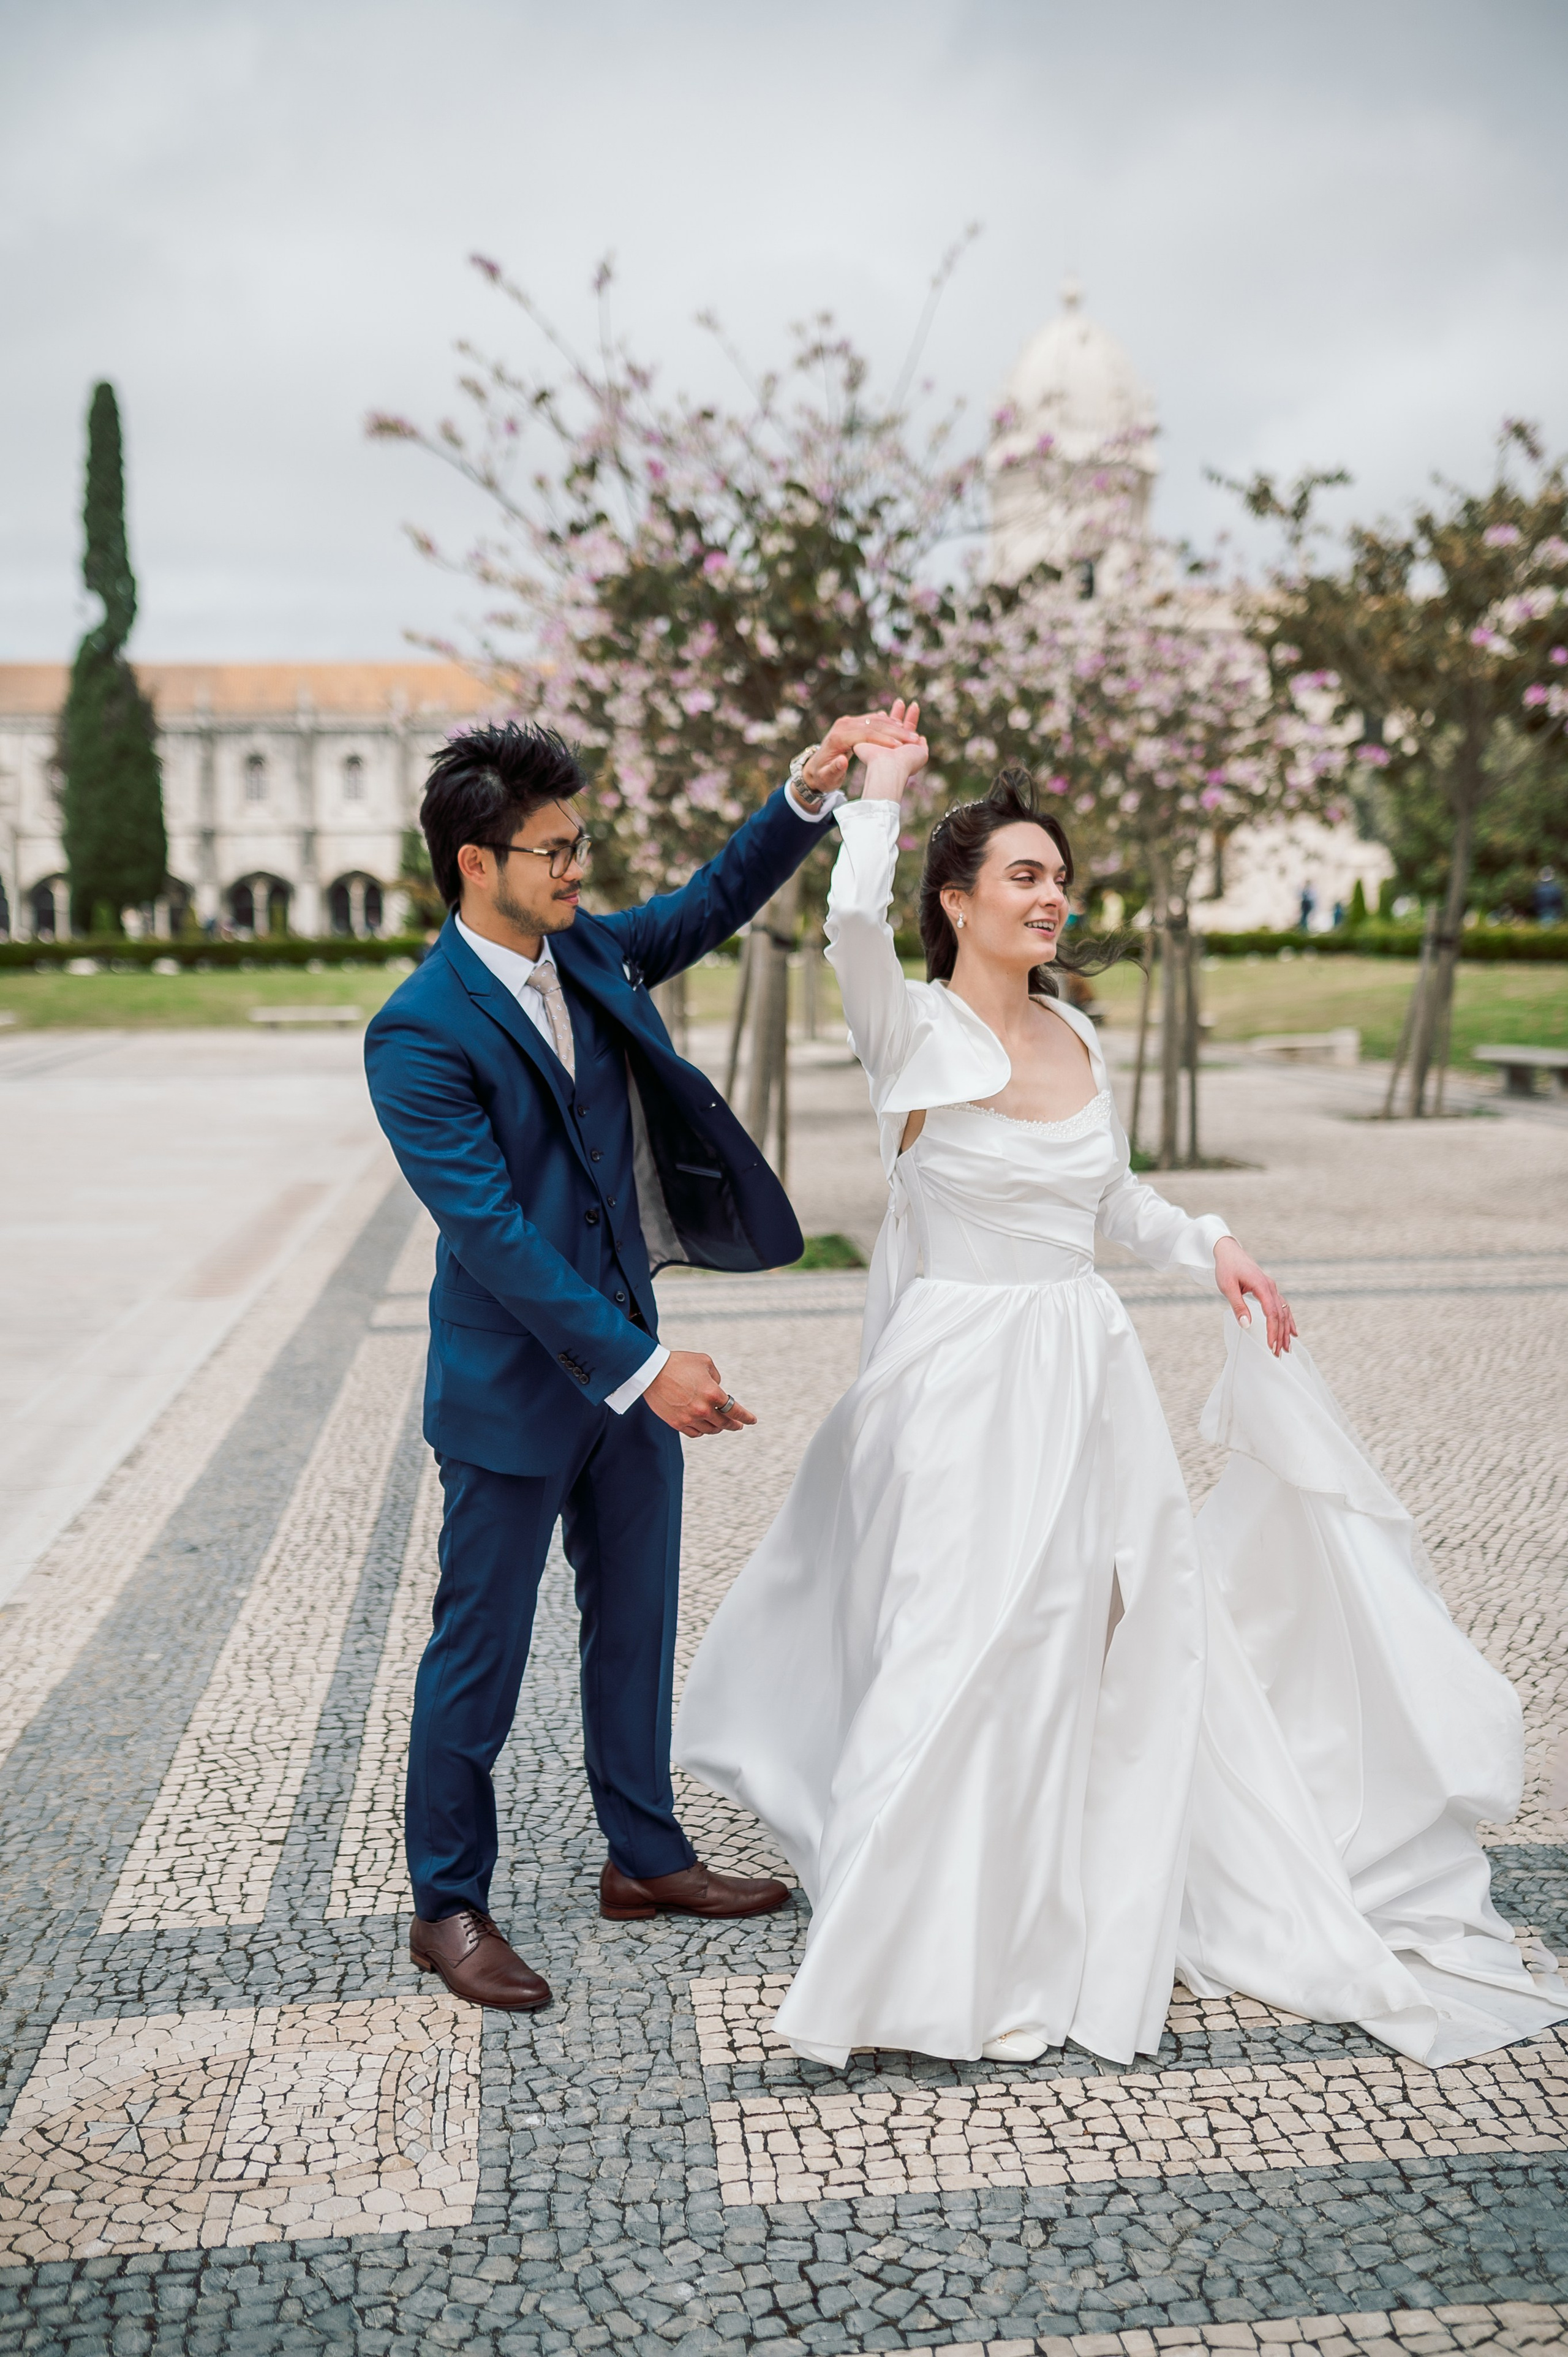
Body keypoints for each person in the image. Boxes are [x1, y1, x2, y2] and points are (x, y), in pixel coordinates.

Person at [676, 713, 1567, 2070]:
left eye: (1057, 877)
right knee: (948, 1648)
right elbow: (851, 918)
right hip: (958, 1383)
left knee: (1089, 1643)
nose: (1049, 897)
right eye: (1021, 875)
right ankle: (890, 1954)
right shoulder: (904, 1031)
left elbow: (1114, 1200)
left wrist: (1212, 1244)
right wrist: (880, 792)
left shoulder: (1079, 1033)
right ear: (956, 899)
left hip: (1084, 1374)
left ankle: (1054, 1907)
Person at [364, 711, 916, 2011]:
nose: (577, 868)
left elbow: (715, 898)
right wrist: (640, 1363)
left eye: (579, 843)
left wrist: (806, 791)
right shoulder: (416, 1034)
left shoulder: (595, 952)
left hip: (621, 1388)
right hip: (513, 1396)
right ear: (473, 864)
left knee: (636, 1627)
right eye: (553, 850)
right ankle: (444, 1903)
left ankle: (645, 1857)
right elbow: (493, 1237)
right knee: (478, 1654)